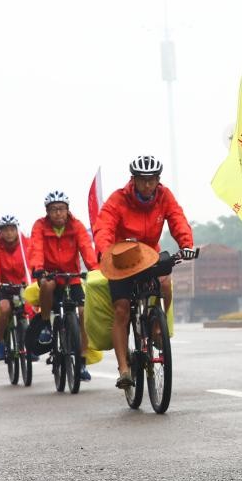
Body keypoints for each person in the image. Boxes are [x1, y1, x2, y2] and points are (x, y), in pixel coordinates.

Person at [92, 155, 196, 390]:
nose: (147, 185)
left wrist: (186, 245)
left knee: (166, 284)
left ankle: (157, 328)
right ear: (133, 180)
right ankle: (124, 369)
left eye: (152, 180)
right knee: (121, 310)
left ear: (158, 180)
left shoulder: (164, 196)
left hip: (149, 255)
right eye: (142, 180)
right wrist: (105, 250)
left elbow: (177, 219)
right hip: (121, 258)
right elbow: (104, 226)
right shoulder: (118, 199)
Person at [28, 191, 98, 382]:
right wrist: (39, 268)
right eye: (53, 210)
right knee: (47, 286)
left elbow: (86, 248)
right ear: (47, 212)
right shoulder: (40, 226)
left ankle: (82, 361)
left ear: (68, 210)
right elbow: (36, 248)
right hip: (49, 274)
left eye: (61, 209)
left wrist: (95, 269)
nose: (58, 213)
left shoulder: (76, 226)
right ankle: (45, 325)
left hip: (72, 277)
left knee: (83, 312)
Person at [0, 214, 30, 361]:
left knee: (30, 309)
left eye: (12, 229)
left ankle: (31, 344)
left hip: (22, 285)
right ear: (0, 231)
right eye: (5, 230)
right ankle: (0, 341)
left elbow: (31, 262)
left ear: (17, 230)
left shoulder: (26, 244)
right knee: (5, 309)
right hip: (3, 286)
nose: (9, 233)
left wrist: (30, 279)